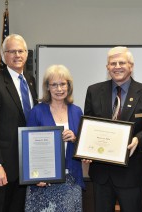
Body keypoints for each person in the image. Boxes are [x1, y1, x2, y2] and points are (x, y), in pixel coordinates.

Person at [84, 46, 142, 212]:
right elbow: (88, 126)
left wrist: (139, 139)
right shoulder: (94, 91)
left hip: (131, 173)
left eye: (122, 62)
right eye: (113, 63)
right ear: (107, 67)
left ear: (131, 66)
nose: (117, 66)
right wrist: (86, 150)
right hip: (101, 173)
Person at [0, 34, 38, 212]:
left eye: (21, 51)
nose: (17, 55)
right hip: (3, 168)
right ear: (4, 55)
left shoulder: (30, 81)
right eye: (11, 51)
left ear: (26, 54)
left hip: (24, 167)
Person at [24, 65, 85, 212]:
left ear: (68, 86)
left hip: (71, 180)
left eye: (63, 84)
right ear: (47, 87)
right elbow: (28, 148)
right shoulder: (37, 112)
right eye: (54, 85)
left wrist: (75, 139)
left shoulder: (77, 111)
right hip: (43, 182)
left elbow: (84, 145)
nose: (59, 89)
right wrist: (34, 177)